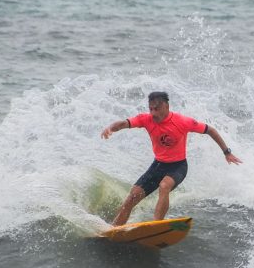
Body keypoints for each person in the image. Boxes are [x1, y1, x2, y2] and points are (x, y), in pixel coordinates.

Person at [101, 91, 242, 226]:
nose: (153, 113)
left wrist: (227, 152)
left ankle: (156, 225)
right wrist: (110, 128)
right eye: (151, 109)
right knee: (132, 196)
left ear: (166, 106)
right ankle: (115, 229)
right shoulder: (146, 119)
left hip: (178, 166)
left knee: (164, 186)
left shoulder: (182, 121)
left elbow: (210, 130)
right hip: (157, 166)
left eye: (157, 109)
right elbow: (123, 123)